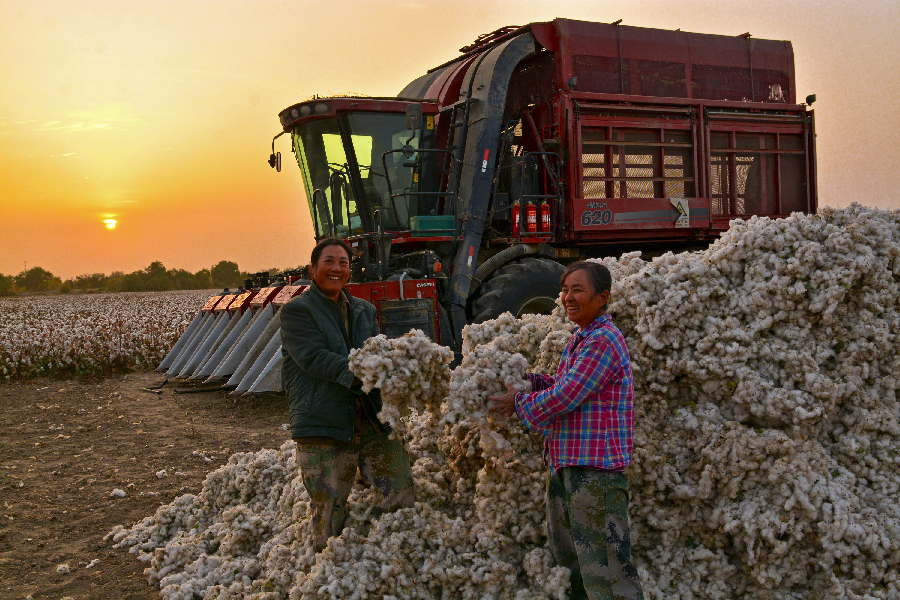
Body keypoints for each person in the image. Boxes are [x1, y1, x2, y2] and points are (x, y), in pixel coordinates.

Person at [489, 261, 644, 600]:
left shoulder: (603, 339)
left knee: (607, 572)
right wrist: (529, 382)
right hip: (567, 468)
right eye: (564, 289)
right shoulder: (581, 338)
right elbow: (562, 384)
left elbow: (567, 395)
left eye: (578, 290)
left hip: (594, 475)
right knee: (573, 563)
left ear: (602, 297)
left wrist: (518, 402)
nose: (567, 297)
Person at [280, 237, 415, 551]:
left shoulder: (364, 310)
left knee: (399, 492)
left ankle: (383, 560)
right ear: (312, 269)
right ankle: (329, 572)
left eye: (343, 262)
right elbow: (314, 358)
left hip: (371, 419)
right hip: (325, 421)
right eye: (328, 261)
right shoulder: (297, 312)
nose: (336, 268)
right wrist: (367, 370)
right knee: (329, 511)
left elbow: (378, 349)